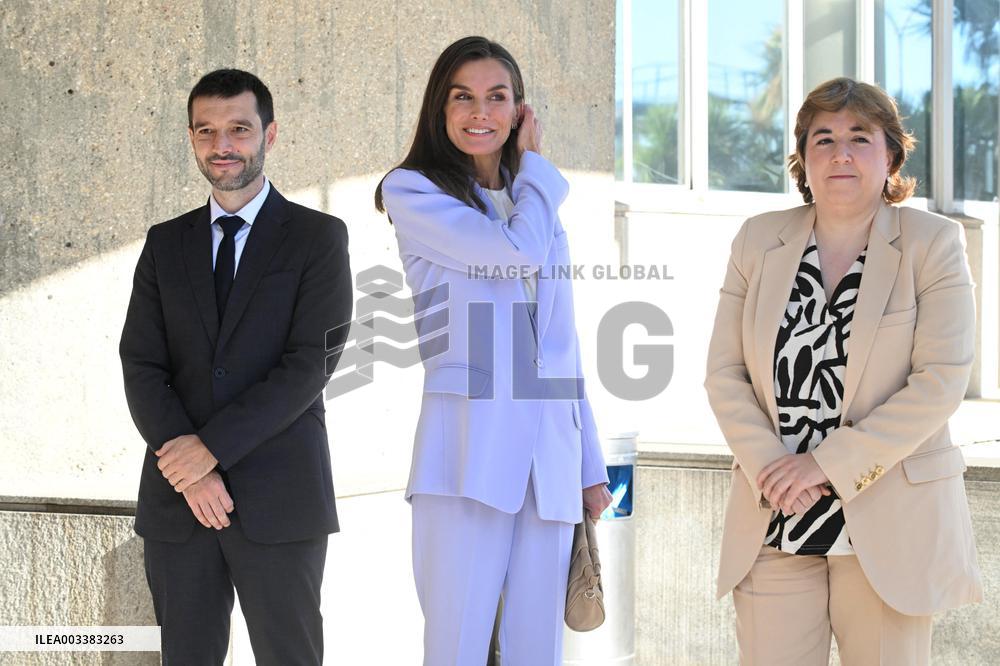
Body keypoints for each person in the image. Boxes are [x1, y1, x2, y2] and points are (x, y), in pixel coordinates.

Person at [704, 76, 982, 665]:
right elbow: (724, 374)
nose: (841, 152)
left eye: (860, 136)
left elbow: (941, 381)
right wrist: (774, 471)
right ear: (803, 158)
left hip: (887, 523)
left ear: (891, 155)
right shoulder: (758, 239)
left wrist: (823, 466)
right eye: (823, 138)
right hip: (776, 516)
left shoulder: (933, 242)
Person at [374, 36, 612, 665]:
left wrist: (588, 461)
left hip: (550, 461)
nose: (481, 111)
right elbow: (513, 256)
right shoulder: (413, 190)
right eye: (464, 97)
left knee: (538, 651)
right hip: (467, 457)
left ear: (519, 110)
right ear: (440, 108)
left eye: (497, 97)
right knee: (457, 648)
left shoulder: (532, 203)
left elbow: (563, 344)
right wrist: (535, 170)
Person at [119, 69, 352, 665]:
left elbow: (309, 364)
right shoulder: (164, 243)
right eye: (206, 131)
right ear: (193, 139)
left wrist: (210, 451)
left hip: (280, 497)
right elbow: (141, 362)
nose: (222, 145)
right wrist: (190, 468)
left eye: (239, 129)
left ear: (269, 136)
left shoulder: (317, 238)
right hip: (180, 503)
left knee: (289, 656)